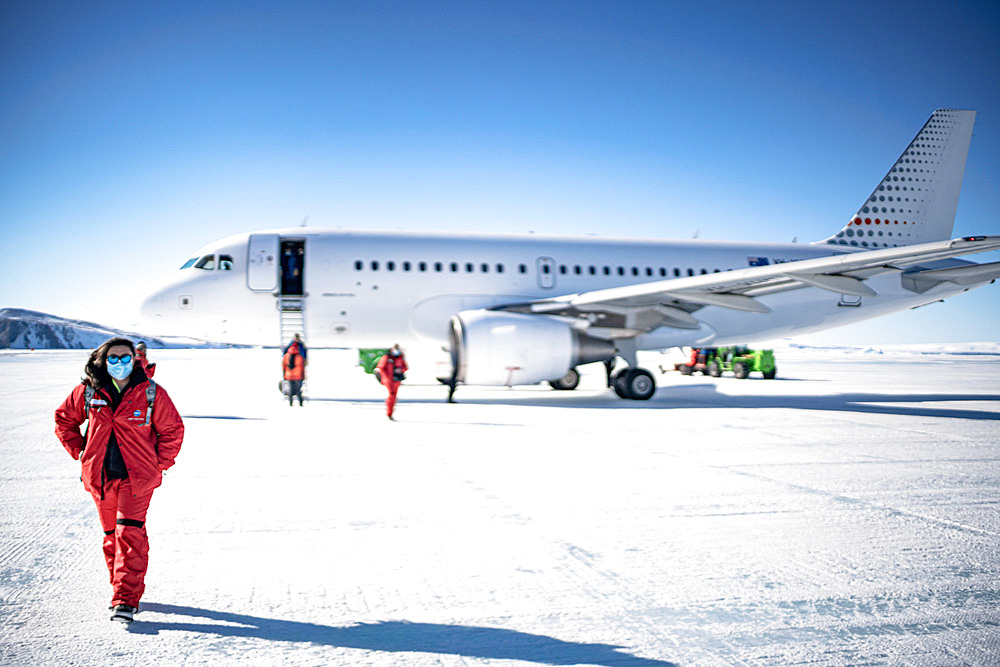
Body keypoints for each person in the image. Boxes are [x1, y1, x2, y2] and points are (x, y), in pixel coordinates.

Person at [54, 337, 184, 623]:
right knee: (112, 536)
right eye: (113, 357)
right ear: (102, 361)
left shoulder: (150, 393)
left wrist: (158, 464)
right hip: (100, 478)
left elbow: (172, 430)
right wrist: (80, 452)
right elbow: (64, 419)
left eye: (125, 357)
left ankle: (125, 599)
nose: (120, 362)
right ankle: (121, 587)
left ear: (135, 360)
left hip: (136, 481)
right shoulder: (88, 392)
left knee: (130, 534)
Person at [376, 344, 408, 420]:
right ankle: (389, 412)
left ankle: (390, 412)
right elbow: (381, 368)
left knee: (394, 396)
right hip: (389, 379)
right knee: (391, 394)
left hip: (396, 380)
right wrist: (387, 376)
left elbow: (405, 367)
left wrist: (400, 370)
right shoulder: (387, 357)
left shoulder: (400, 357)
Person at [282, 341, 305, 406]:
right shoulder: (299, 357)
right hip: (298, 376)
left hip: (289, 375)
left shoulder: (286, 356)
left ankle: (290, 404)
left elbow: (283, 366)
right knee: (298, 391)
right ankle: (300, 403)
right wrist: (303, 376)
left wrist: (284, 375)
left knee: (290, 390)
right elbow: (302, 367)